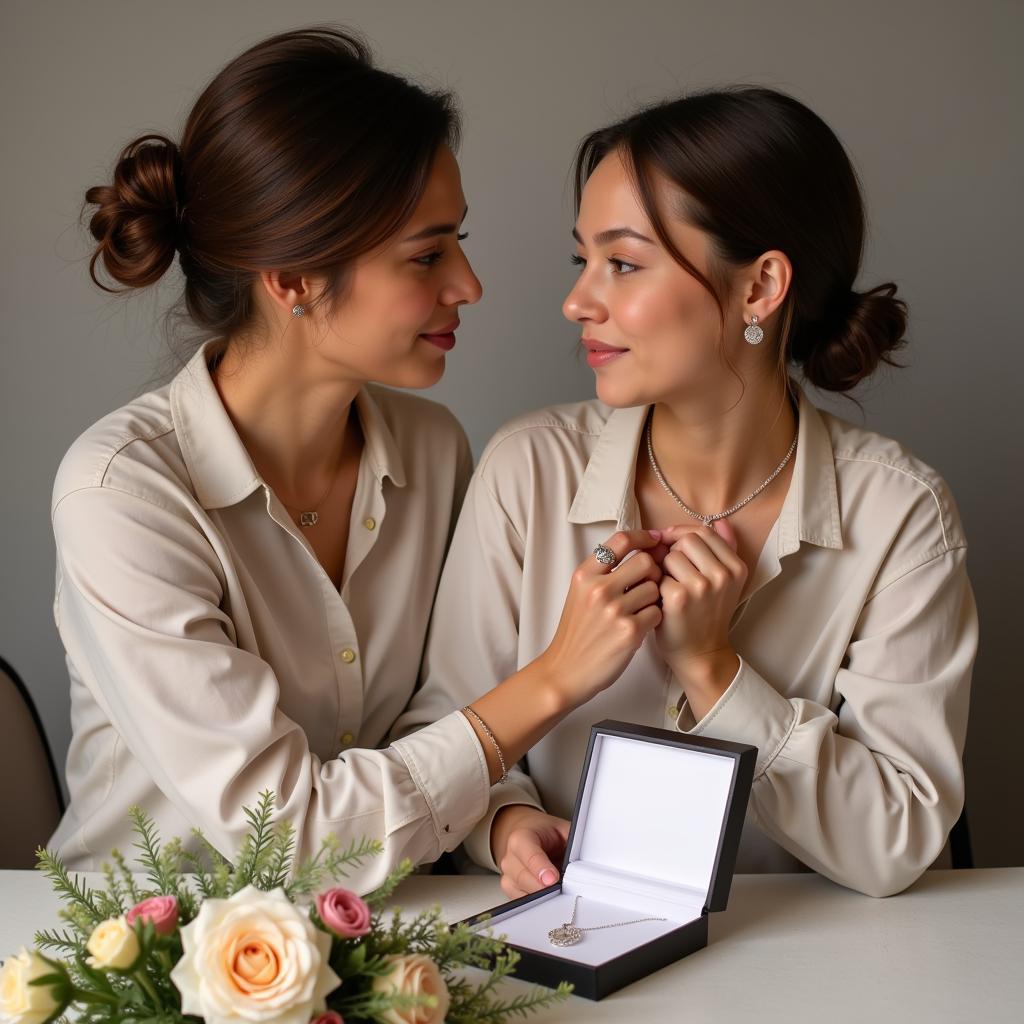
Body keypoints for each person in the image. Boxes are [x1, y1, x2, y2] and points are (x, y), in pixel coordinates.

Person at [49, 27, 669, 886]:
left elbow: (433, 723)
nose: (469, 284)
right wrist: (557, 677)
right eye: (427, 253)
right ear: (293, 276)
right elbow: (290, 838)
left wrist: (502, 820)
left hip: (377, 943)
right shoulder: (121, 494)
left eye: (458, 241)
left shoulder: (432, 449)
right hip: (144, 969)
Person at [399, 86, 978, 899]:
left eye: (623, 263)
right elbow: (442, 729)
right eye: (582, 260)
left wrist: (716, 672)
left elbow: (897, 839)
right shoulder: (527, 470)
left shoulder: (899, 516)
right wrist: (503, 823)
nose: (577, 301)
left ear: (760, 288)